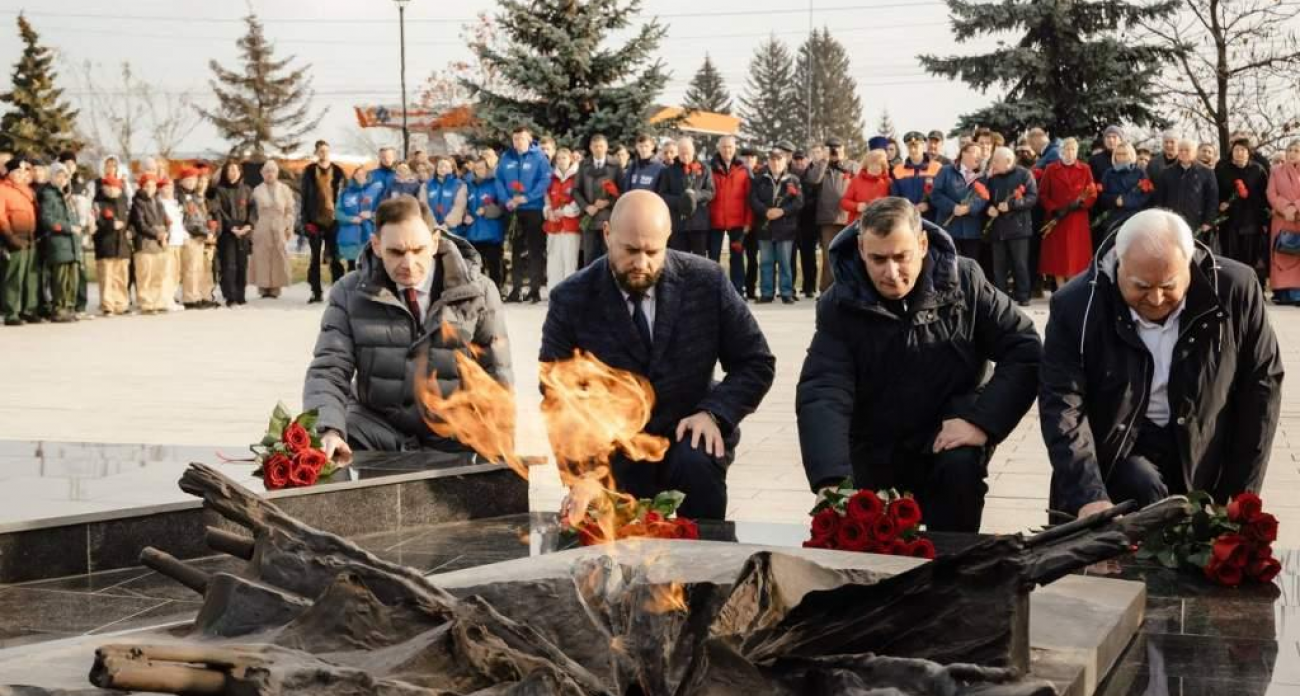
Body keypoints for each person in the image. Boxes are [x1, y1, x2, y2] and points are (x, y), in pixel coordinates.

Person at [797, 197, 1041, 532]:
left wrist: (982, 422)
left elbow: (1024, 349)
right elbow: (824, 388)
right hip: (876, 445)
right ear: (860, 249)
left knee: (958, 486)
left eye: (902, 257)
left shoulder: (965, 281)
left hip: (949, 438)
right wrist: (831, 479)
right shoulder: (839, 303)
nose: (891, 273)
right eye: (878, 259)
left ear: (923, 244)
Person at [539, 190, 776, 519]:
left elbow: (756, 361)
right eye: (631, 250)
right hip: (611, 451)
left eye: (653, 251)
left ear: (668, 238)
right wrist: (580, 474)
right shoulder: (571, 298)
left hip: (688, 437)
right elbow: (557, 398)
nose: (641, 263)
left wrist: (714, 413)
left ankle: (708, 561)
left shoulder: (706, 281)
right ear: (607, 234)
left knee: (698, 461)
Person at [1040, 209, 1282, 518]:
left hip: (1204, 443)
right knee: (1140, 490)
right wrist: (1088, 495)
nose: (1155, 299)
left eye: (1169, 286)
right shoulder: (1076, 305)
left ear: (1189, 266)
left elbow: (1262, 391)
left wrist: (1239, 496)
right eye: (1141, 286)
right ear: (1118, 266)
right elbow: (1062, 403)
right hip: (1117, 450)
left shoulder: (1235, 289)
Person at [305, 196, 512, 462]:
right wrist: (328, 429)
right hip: (374, 428)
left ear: (435, 242)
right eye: (396, 252)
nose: (409, 263)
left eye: (418, 250)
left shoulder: (479, 291)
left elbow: (496, 373)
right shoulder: (348, 291)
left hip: (454, 434)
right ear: (376, 245)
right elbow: (330, 367)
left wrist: (499, 443)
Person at [497, 125, 552, 304]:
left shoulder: (539, 157)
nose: (518, 142)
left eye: (521, 139)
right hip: (513, 210)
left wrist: (527, 198)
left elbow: (545, 179)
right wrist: (508, 200)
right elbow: (499, 180)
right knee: (515, 250)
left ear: (529, 139)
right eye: (515, 139)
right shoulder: (506, 158)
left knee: (535, 250)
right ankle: (517, 289)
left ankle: (534, 289)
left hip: (533, 209)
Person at [982, 147, 1040, 306]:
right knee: (999, 266)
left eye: (996, 161)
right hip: (998, 228)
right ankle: (1001, 298)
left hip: (1018, 227)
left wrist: (1012, 204)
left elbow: (1032, 197)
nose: (993, 163)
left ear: (1007, 161)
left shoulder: (1024, 174)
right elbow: (986, 199)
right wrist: (989, 208)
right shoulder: (992, 178)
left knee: (1019, 264)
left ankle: (1023, 296)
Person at [749, 146, 803, 304]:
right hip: (765, 227)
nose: (775, 163)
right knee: (766, 262)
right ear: (768, 162)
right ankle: (767, 293)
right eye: (772, 160)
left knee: (785, 263)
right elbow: (753, 199)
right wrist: (766, 211)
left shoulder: (794, 180)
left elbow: (799, 202)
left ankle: (786, 293)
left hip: (785, 228)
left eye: (779, 160)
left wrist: (782, 211)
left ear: (785, 161)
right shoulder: (759, 179)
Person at [1039, 138, 1097, 286]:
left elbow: (1092, 192)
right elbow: (1043, 193)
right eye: (1066, 149)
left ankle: (1071, 290)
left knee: (1075, 258)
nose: (1069, 153)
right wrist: (1054, 209)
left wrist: (1081, 203)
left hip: (1077, 219)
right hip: (1057, 219)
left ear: (1077, 152)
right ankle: (1060, 289)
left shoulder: (1085, 169)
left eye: (1072, 150)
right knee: (1058, 258)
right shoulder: (1051, 169)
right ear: (1061, 151)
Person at [803, 137, 858, 291]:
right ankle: (826, 289)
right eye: (831, 148)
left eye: (838, 148)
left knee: (849, 255)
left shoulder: (852, 165)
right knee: (829, 256)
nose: (835, 151)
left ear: (844, 149)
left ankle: (847, 288)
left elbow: (860, 178)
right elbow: (813, 180)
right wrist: (824, 160)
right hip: (827, 219)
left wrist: (842, 162)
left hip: (848, 218)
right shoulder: (821, 166)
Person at [1215, 138, 1269, 281]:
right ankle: (1230, 286)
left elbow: (1265, 196)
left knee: (1250, 256)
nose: (1239, 153)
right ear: (1231, 152)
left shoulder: (1257, 170)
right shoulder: (1222, 169)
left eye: (1243, 150)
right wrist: (1221, 203)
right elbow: (1215, 191)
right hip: (1229, 220)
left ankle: (1252, 286)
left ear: (1249, 153)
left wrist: (1264, 220)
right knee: (1230, 256)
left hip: (1251, 220)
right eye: (1236, 149)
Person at [300, 140, 347, 304]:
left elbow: (345, 196)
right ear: (316, 153)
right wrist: (305, 221)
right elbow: (304, 197)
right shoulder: (309, 171)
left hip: (334, 221)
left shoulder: (339, 171)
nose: (324, 153)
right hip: (315, 221)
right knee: (314, 258)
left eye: (326, 150)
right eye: (321, 151)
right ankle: (316, 291)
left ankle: (338, 290)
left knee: (335, 257)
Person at [36, 162, 81, 322]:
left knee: (72, 279)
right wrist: (68, 228)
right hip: (59, 243)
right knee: (60, 280)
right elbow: (48, 220)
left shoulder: (67, 196)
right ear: (52, 177)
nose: (62, 179)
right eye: (59, 175)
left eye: (65, 176)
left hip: (72, 245)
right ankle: (59, 309)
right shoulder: (49, 195)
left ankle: (69, 307)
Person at [1153, 140, 1219, 250]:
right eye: (1181, 150)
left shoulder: (1206, 172)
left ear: (1194, 152)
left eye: (1187, 150)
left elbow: (1212, 199)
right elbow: (1160, 198)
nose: (1183, 153)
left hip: (1196, 222)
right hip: (1172, 220)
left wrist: (1208, 221)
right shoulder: (1167, 172)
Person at [709, 135, 754, 292]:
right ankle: (713, 289)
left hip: (738, 222)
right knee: (713, 258)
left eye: (730, 147)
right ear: (718, 148)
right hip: (715, 221)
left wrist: (748, 221)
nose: (727, 150)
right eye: (724, 147)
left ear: (735, 148)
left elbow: (750, 198)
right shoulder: (710, 168)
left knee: (737, 258)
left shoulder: (744, 170)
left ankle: (737, 290)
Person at [655, 136, 715, 254]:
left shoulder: (705, 169)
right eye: (682, 153)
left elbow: (710, 192)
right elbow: (662, 195)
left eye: (687, 153)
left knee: (699, 260)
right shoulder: (669, 171)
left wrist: (694, 196)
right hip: (678, 225)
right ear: (678, 152)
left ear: (693, 151)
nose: (685, 156)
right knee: (679, 259)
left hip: (698, 224)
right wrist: (680, 201)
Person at [930, 142, 989, 260]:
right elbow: (935, 195)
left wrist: (969, 208)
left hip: (972, 230)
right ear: (963, 153)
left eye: (980, 153)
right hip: (949, 228)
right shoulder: (946, 171)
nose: (979, 156)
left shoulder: (983, 176)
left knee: (970, 265)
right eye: (975, 152)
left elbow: (984, 198)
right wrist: (953, 207)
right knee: (949, 264)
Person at [209, 160, 255, 307]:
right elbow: (218, 211)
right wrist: (230, 227)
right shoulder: (220, 190)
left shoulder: (247, 190)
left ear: (240, 172)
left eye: (235, 170)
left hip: (244, 231)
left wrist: (249, 225)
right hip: (227, 233)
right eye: (229, 170)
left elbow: (253, 209)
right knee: (229, 264)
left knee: (242, 264)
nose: (232, 173)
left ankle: (240, 294)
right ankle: (230, 295)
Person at [248, 160, 294, 299]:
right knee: (262, 256)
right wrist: (252, 227)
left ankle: (276, 288)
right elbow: (251, 211)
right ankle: (263, 287)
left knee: (278, 256)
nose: (270, 174)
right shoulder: (257, 190)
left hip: (280, 224)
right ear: (262, 174)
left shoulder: (284, 189)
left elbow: (290, 209)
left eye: (272, 171)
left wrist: (289, 226)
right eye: (267, 171)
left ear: (277, 173)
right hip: (262, 225)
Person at [573, 134, 621, 267]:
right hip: (590, 219)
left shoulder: (615, 165)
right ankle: (590, 286)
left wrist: (608, 202)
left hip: (608, 219)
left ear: (606, 147)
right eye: (595, 146)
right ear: (590, 148)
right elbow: (576, 190)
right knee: (589, 257)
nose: (598, 149)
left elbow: (622, 191)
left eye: (601, 146)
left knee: (608, 257)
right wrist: (586, 206)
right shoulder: (583, 165)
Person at [0, 159, 38, 326]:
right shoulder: (3, 190)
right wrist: (9, 237)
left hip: (30, 236)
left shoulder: (27, 191)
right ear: (10, 173)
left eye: (24, 172)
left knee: (29, 276)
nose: (22, 175)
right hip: (14, 237)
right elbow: (1, 217)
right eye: (18, 172)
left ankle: (28, 309)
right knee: (14, 276)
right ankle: (11, 312)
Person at [463, 156, 506, 288]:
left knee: (494, 265)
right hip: (473, 234)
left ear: (488, 169)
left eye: (482, 168)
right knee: (476, 267)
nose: (479, 171)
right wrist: (465, 215)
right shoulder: (468, 185)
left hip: (492, 234)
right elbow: (462, 205)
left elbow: (503, 206)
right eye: (476, 168)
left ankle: (497, 290)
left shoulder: (496, 183)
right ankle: (479, 292)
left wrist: (487, 210)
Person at [129, 174, 170, 314]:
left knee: (158, 274)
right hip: (145, 242)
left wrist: (165, 234)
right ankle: (146, 302)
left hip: (159, 242)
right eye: (147, 185)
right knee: (145, 274)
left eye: (153, 185)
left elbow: (166, 220)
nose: (150, 188)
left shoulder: (158, 202)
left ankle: (157, 301)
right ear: (141, 187)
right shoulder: (137, 203)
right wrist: (156, 234)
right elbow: (140, 224)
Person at [91, 175, 131, 317]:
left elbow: (130, 221)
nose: (113, 190)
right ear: (104, 188)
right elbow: (96, 223)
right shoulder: (98, 203)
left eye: (116, 188)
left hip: (122, 246)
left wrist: (130, 231)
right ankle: (108, 305)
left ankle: (121, 303)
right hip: (105, 245)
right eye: (110, 187)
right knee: (106, 277)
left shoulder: (124, 203)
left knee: (121, 277)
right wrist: (110, 225)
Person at [175, 168, 214, 309]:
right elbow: (188, 220)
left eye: (194, 180)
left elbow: (199, 217)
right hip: (190, 236)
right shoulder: (180, 196)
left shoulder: (191, 196)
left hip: (199, 236)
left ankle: (197, 295)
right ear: (182, 181)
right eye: (189, 180)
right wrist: (203, 232)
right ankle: (190, 298)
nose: (192, 183)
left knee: (197, 268)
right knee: (190, 268)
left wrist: (207, 230)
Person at [1267, 140, 1300, 304]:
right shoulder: (1276, 171)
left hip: (1298, 219)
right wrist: (1285, 207)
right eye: (1290, 150)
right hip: (1281, 219)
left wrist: (1296, 208)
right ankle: (1282, 292)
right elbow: (1271, 193)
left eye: (1297, 150)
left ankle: (1297, 293)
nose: (1293, 153)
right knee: (1282, 253)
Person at [544, 147, 582, 291]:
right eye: (558, 158)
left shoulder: (576, 177)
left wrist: (565, 211)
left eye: (564, 158)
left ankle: (570, 293)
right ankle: (554, 291)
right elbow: (547, 198)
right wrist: (548, 211)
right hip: (553, 226)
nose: (561, 161)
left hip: (570, 226)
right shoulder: (552, 178)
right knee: (554, 260)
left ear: (570, 159)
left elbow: (579, 198)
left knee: (569, 261)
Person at [335, 165, 381, 272]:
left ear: (367, 176)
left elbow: (383, 210)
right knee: (351, 266)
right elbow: (338, 212)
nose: (360, 176)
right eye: (357, 174)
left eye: (363, 174)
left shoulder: (375, 191)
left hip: (369, 233)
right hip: (350, 234)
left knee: (368, 265)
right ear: (354, 176)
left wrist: (372, 215)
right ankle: (351, 287)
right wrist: (351, 219)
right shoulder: (346, 193)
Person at [891, 131, 943, 223]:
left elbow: (942, 193)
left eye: (916, 146)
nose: (913, 150)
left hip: (932, 219)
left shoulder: (937, 168)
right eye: (909, 147)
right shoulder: (898, 170)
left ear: (923, 146)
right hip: (906, 220)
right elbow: (894, 197)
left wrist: (928, 205)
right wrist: (906, 207)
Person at [790, 149, 820, 299]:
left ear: (807, 160)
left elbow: (816, 197)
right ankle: (791, 287)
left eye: (802, 159)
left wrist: (801, 204)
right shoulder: (788, 175)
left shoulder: (813, 174)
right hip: (792, 221)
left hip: (809, 221)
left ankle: (809, 287)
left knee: (809, 257)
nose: (799, 162)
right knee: (791, 257)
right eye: (797, 159)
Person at [840, 149, 892, 226]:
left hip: (880, 225)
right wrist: (857, 206)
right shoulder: (856, 180)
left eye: (878, 165)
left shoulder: (888, 182)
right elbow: (844, 202)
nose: (875, 167)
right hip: (857, 225)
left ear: (883, 167)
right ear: (866, 165)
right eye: (872, 164)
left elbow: (893, 204)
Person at [158, 177, 187, 311]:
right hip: (168, 241)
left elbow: (179, 223)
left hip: (178, 240)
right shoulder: (160, 204)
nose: (168, 190)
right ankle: (165, 300)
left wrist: (185, 236)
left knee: (176, 272)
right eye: (165, 187)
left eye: (170, 187)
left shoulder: (175, 203)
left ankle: (171, 297)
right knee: (167, 272)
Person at [424, 157, 467, 234]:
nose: (443, 169)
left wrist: (446, 225)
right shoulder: (426, 185)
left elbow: (459, 207)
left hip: (452, 230)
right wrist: (433, 224)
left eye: (446, 167)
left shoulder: (460, 185)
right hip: (431, 228)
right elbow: (424, 205)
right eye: (440, 166)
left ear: (452, 169)